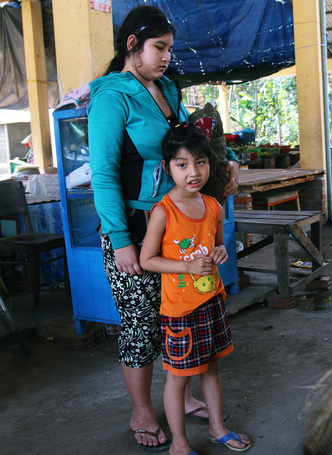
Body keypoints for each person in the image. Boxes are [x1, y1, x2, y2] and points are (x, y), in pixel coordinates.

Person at [87, 6, 239, 450]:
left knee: (181, 313)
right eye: (159, 47)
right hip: (134, 227)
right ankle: (142, 411)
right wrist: (120, 241)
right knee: (139, 324)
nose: (167, 56)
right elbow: (104, 172)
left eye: (170, 48)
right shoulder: (113, 96)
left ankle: (185, 393)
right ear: (132, 44)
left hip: (177, 222)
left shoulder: (167, 89)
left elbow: (189, 144)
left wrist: (225, 159)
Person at [140, 125, 251, 454]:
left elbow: (217, 247)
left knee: (213, 368)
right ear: (167, 168)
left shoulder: (213, 205)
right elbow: (148, 259)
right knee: (178, 378)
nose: (193, 172)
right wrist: (187, 266)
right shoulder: (163, 211)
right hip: (180, 311)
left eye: (200, 163)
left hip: (211, 303)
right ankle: (180, 444)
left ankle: (218, 428)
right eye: (182, 164)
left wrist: (220, 253)